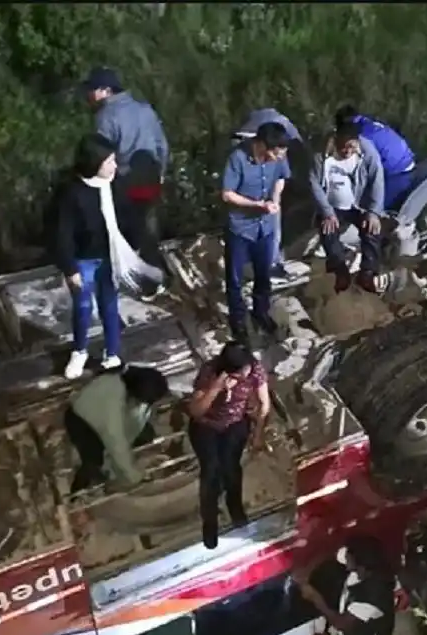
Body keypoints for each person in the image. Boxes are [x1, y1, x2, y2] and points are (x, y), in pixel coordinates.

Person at [53, 133, 163, 379]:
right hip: (84, 259)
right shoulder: (71, 192)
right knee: (82, 307)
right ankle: (79, 350)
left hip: (110, 255)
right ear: (94, 163)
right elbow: (62, 232)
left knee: (110, 306)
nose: (114, 165)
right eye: (109, 161)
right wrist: (69, 268)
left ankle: (111, 353)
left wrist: (133, 245)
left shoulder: (117, 183)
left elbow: (131, 217)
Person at [83, 66, 171, 301]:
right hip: (151, 177)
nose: (88, 95)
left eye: (91, 90)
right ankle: (161, 275)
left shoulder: (105, 116)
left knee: (127, 231)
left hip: (124, 182)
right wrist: (161, 173)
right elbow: (162, 145)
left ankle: (144, 281)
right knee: (148, 228)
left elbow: (100, 156)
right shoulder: (145, 109)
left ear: (106, 90)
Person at [186, 341, 271, 547]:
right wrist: (215, 389)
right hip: (206, 425)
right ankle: (210, 520)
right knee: (211, 471)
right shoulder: (209, 371)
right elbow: (196, 411)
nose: (246, 373)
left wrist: (258, 433)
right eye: (240, 372)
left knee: (231, 468)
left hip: (234, 423)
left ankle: (235, 506)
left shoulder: (255, 369)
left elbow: (263, 403)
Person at [220, 122, 291, 345]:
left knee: (264, 274)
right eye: (275, 154)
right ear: (262, 146)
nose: (278, 158)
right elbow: (227, 194)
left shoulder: (279, 156)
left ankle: (261, 311)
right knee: (235, 278)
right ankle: (238, 320)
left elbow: (281, 177)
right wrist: (258, 205)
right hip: (240, 227)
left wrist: (275, 200)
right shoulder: (237, 158)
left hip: (266, 226)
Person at [64, 365, 169, 493]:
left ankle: (121, 466)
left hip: (109, 416)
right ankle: (77, 493)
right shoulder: (111, 398)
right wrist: (134, 476)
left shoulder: (132, 384)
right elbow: (115, 439)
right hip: (82, 421)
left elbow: (135, 422)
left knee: (146, 434)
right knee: (93, 460)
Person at [309, 120, 386, 293]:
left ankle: (368, 272)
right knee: (328, 231)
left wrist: (373, 212)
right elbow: (314, 184)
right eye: (343, 147)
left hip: (358, 204)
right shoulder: (321, 156)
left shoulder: (368, 153)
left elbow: (377, 182)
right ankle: (339, 271)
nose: (347, 151)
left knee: (372, 230)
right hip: (332, 206)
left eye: (351, 147)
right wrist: (327, 212)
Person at [232, 108, 303, 282]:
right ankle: (260, 265)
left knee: (270, 220)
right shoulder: (271, 141)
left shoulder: (278, 138)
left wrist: (274, 200)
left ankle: (266, 262)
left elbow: (281, 177)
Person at [335, 105, 416, 211]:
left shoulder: (363, 136)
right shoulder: (368, 122)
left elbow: (365, 171)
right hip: (407, 161)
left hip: (398, 173)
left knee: (374, 210)